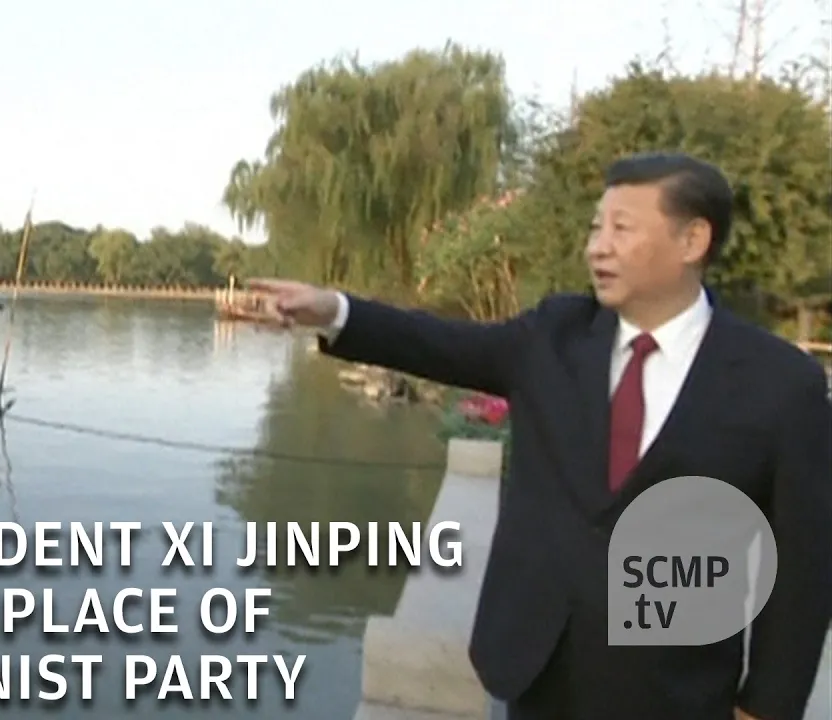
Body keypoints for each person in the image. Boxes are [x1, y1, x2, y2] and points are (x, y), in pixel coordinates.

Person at [250, 152, 832, 720]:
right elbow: (438, 344)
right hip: (537, 667)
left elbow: (803, 569)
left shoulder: (781, 385)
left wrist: (765, 707)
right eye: (595, 228)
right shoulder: (555, 335)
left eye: (621, 228)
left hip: (675, 690)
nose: (597, 246)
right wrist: (334, 311)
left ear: (693, 240)